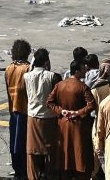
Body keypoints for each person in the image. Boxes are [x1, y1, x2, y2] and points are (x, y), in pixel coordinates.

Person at [49, 61, 97, 180]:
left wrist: (61, 111)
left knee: (64, 154)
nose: (85, 71)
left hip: (63, 124)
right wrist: (78, 113)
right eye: (82, 69)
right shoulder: (82, 87)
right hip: (78, 125)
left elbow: (50, 102)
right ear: (77, 71)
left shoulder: (60, 85)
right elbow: (92, 105)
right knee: (79, 154)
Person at [25, 49, 61, 180]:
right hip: (49, 117)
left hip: (33, 117)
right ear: (47, 61)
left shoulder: (26, 76)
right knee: (50, 150)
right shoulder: (52, 76)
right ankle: (50, 175)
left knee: (32, 152)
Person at [6, 40, 33, 180]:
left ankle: (17, 170)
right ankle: (24, 170)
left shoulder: (9, 68)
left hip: (13, 108)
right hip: (25, 109)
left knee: (14, 142)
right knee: (24, 142)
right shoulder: (28, 68)